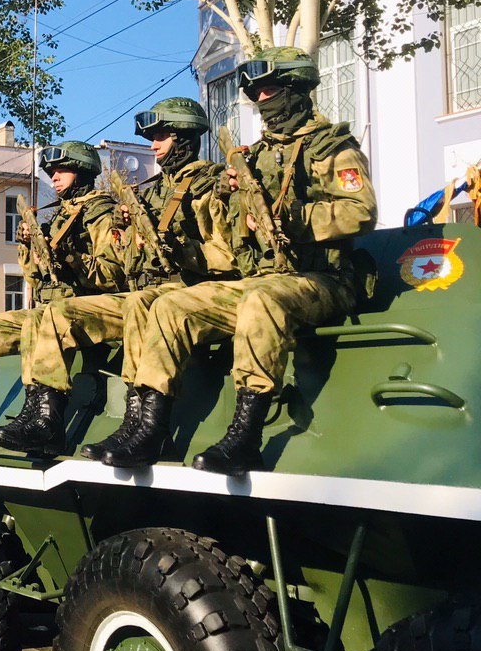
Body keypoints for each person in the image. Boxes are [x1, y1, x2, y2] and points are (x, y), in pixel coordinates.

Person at [90, 46, 378, 474]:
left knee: (263, 299)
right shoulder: (255, 156)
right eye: (255, 94)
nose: (261, 101)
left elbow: (361, 211)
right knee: (171, 305)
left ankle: (246, 434)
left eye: (270, 91)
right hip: (264, 275)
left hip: (322, 277)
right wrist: (232, 196)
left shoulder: (331, 146)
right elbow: (233, 236)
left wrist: (292, 218)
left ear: (297, 89)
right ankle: (149, 427)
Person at [19, 98, 235, 463]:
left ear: (184, 136)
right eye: (152, 137)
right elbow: (131, 265)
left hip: (191, 290)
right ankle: (48, 417)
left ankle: (146, 425)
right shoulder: (150, 193)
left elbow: (230, 255)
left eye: (162, 136)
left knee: (139, 304)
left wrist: (180, 250)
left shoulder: (212, 185)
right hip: (152, 290)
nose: (153, 145)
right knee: (9, 321)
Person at [0, 141, 126, 454]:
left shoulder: (100, 212)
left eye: (62, 169)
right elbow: (35, 278)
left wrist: (71, 258)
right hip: (52, 308)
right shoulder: (59, 215)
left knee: (44, 319)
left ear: (83, 171)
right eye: (52, 171)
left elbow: (111, 275)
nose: (54, 177)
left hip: (86, 308)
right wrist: (31, 249)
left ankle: (45, 421)